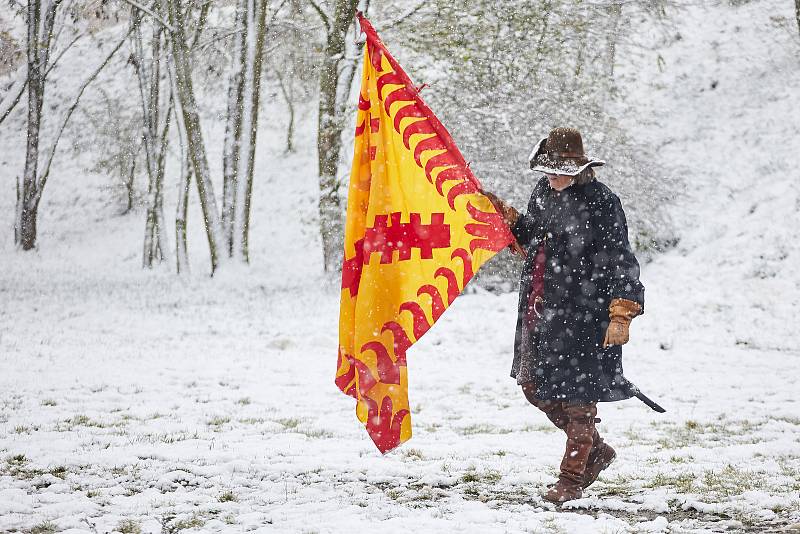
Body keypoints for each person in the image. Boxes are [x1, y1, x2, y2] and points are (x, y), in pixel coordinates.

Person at [483, 127, 650, 504]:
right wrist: (507, 218)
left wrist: (621, 312)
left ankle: (571, 479)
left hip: (586, 313)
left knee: (579, 398)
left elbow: (620, 257)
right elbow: (533, 238)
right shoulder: (543, 193)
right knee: (533, 386)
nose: (553, 177)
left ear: (580, 168)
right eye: (549, 170)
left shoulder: (602, 201)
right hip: (541, 309)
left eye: (561, 171)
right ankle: (597, 450)